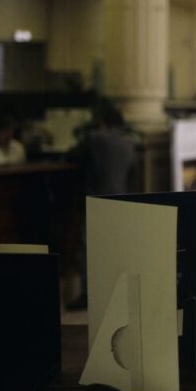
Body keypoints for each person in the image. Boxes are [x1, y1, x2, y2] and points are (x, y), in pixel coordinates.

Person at [65, 98, 139, 310]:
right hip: (121, 200)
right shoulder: (129, 143)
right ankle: (115, 293)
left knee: (88, 248)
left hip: (97, 200)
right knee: (116, 249)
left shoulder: (96, 138)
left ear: (103, 122)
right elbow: (133, 174)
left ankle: (89, 294)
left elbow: (71, 156)